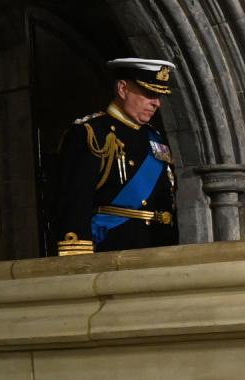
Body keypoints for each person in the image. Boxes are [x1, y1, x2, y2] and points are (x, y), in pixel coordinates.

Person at [55, 58, 178, 256]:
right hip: (112, 248)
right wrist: (77, 256)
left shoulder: (155, 138)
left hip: (157, 246)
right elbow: (75, 202)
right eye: (149, 93)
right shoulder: (91, 133)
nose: (156, 103)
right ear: (122, 89)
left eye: (159, 95)